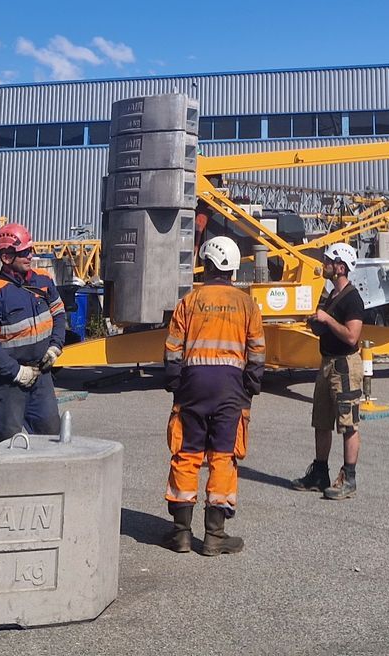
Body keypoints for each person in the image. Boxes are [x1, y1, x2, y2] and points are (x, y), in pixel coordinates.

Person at [160, 234, 265, 556]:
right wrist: (251, 386)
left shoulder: (189, 302)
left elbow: (173, 348)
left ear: (205, 264)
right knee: (222, 457)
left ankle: (180, 533)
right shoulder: (247, 304)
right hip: (230, 389)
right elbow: (257, 352)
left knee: (187, 454)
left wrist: (175, 383)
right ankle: (214, 537)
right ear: (232, 269)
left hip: (193, 386)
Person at [0, 222, 67, 441]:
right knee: (5, 447)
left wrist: (55, 347)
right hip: (9, 383)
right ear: (6, 257)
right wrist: (16, 372)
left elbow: (59, 314)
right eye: (24, 252)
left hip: (41, 375)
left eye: (30, 250)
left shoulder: (43, 280)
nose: (30, 256)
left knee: (52, 440)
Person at [294, 241, 365, 500]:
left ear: (341, 267)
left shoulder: (352, 299)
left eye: (329, 261)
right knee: (321, 421)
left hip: (344, 366)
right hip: (327, 363)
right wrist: (316, 323)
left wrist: (328, 320)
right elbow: (330, 327)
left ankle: (349, 478)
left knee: (347, 424)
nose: (325, 265)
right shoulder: (331, 295)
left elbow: (351, 336)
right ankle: (319, 473)